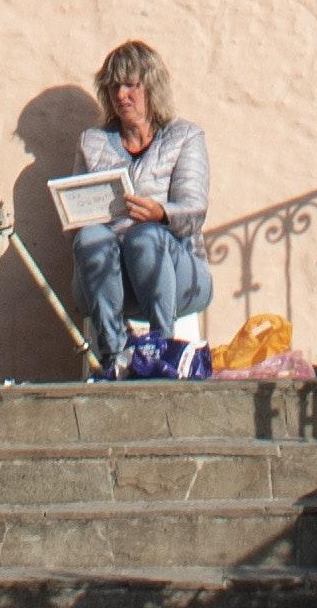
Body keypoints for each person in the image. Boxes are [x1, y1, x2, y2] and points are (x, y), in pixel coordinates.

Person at [63, 39, 212, 378]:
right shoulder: (92, 141)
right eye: (114, 86)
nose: (122, 95)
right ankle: (113, 354)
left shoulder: (185, 137)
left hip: (177, 269)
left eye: (132, 85)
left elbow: (194, 210)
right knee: (88, 237)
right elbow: (77, 211)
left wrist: (160, 213)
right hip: (109, 275)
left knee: (145, 237)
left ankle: (161, 345)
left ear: (152, 87)